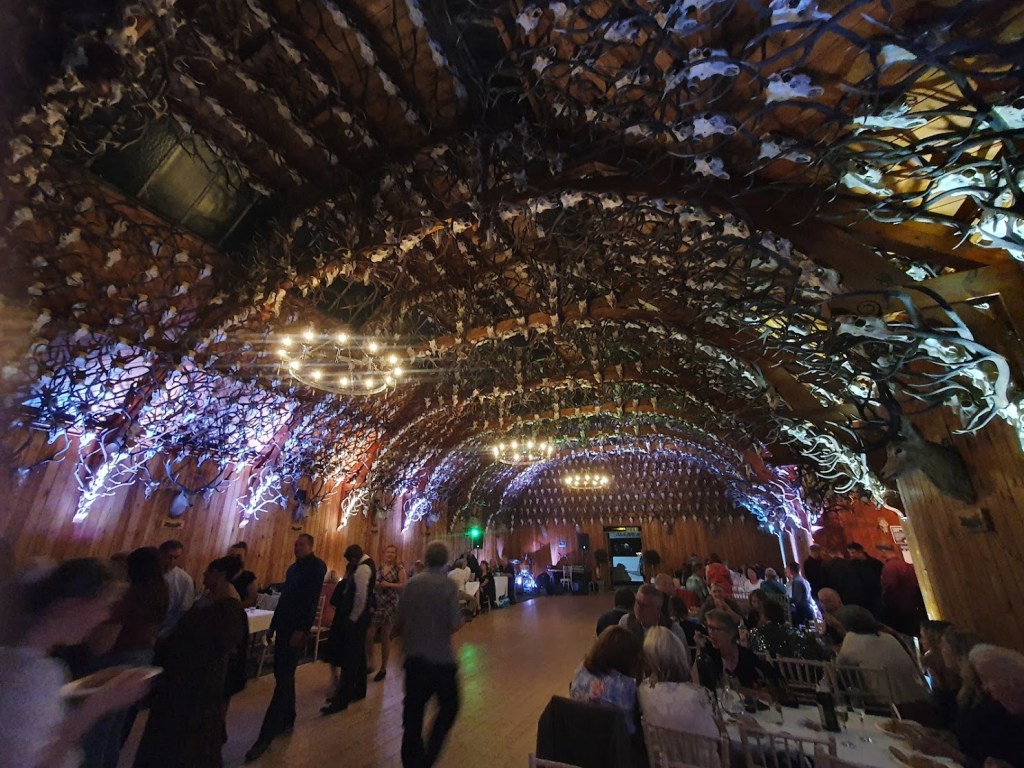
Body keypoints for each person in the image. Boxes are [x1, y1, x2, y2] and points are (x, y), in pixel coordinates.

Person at [0, 558, 154, 768]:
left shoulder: (14, 658)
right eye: (102, 605)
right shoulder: (37, 676)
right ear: (71, 606)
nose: (104, 616)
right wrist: (96, 705)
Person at [133, 555, 248, 768]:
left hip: (199, 681)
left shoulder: (229, 606)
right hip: (181, 676)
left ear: (221, 574)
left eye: (209, 571)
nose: (204, 575)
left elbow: (225, 643)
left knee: (190, 738)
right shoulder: (211, 596)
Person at [82, 547, 169, 768]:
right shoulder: (160, 591)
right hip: (142, 658)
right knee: (114, 728)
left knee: (97, 731)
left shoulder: (129, 596)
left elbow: (103, 643)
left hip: (117, 660)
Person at [245, 534, 326, 762]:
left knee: (284, 677)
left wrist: (301, 629)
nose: (295, 548)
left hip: (296, 630)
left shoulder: (316, 567)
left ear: (310, 546)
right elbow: (286, 598)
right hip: (284, 626)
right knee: (284, 675)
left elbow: (309, 601)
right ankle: (288, 717)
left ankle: (266, 735)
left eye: (300, 545)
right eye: (295, 544)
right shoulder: (292, 570)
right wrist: (273, 625)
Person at [395, 540, 463, 768]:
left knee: (412, 715)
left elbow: (400, 619)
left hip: (414, 659)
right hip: (441, 660)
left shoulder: (412, 584)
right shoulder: (448, 586)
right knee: (449, 707)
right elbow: (455, 623)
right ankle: (428, 757)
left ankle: (411, 762)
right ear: (445, 561)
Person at [904, 644, 1024, 766]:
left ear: (1013, 683)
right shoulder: (1002, 709)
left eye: (986, 679)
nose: (985, 688)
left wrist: (954, 754)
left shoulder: (997, 713)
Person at [834, 605, 929, 707]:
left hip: (885, 705)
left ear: (843, 625)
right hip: (917, 697)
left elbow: (841, 674)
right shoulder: (888, 636)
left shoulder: (851, 639)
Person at [638, 626, 719, 739]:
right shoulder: (697, 696)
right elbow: (719, 739)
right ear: (679, 654)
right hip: (702, 755)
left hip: (663, 755)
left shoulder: (644, 691)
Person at [322, 544, 376, 714]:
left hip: (356, 620)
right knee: (358, 656)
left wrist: (353, 619)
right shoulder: (367, 565)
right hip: (361, 619)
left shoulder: (362, 569)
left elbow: (360, 597)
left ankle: (341, 699)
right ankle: (358, 690)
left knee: (349, 659)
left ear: (353, 559)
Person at [570, 626, 643, 734]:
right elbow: (630, 730)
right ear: (625, 660)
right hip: (616, 745)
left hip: (578, 737)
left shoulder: (581, 671)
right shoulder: (625, 687)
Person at [692, 609, 780, 692]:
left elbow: (768, 686)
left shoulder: (746, 656)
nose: (710, 633)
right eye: (709, 628)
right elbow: (696, 684)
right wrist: (699, 648)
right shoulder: (710, 655)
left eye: (716, 629)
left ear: (731, 633)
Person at [619, 583, 691, 668]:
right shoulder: (626, 622)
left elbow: (684, 663)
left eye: (643, 606)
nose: (637, 608)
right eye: (637, 602)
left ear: (657, 609)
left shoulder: (672, 629)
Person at [368, 543, 406, 682]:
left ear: (396, 554)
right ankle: (370, 661)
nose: (389, 555)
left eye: (392, 552)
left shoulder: (399, 569)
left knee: (385, 636)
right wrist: (376, 585)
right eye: (388, 552)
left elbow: (403, 585)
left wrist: (388, 585)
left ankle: (383, 668)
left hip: (390, 603)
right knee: (369, 633)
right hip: (378, 601)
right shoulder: (380, 567)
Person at [878, 544, 925, 636]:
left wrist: (885, 603)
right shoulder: (906, 565)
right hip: (913, 604)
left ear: (883, 551)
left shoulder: (889, 567)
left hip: (899, 608)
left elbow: (889, 588)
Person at [157, 540, 195, 638]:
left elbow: (183, 611)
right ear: (160, 554)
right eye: (168, 557)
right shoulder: (148, 572)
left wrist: (164, 633)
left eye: (176, 558)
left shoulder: (185, 580)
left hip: (166, 630)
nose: (172, 561)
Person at [846, 542, 883, 614]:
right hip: (862, 597)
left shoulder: (874, 563)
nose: (851, 555)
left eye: (853, 552)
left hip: (876, 595)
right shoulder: (850, 565)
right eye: (850, 553)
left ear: (860, 551)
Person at [227, 542, 259, 609]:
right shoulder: (221, 575)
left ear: (244, 558)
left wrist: (235, 607)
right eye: (232, 555)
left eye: (239, 556)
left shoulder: (249, 577)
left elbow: (252, 600)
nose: (235, 558)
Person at [786, 562, 814, 626]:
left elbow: (796, 598)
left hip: (802, 609)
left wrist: (786, 600)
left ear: (791, 570)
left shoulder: (797, 581)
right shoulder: (803, 580)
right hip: (808, 607)